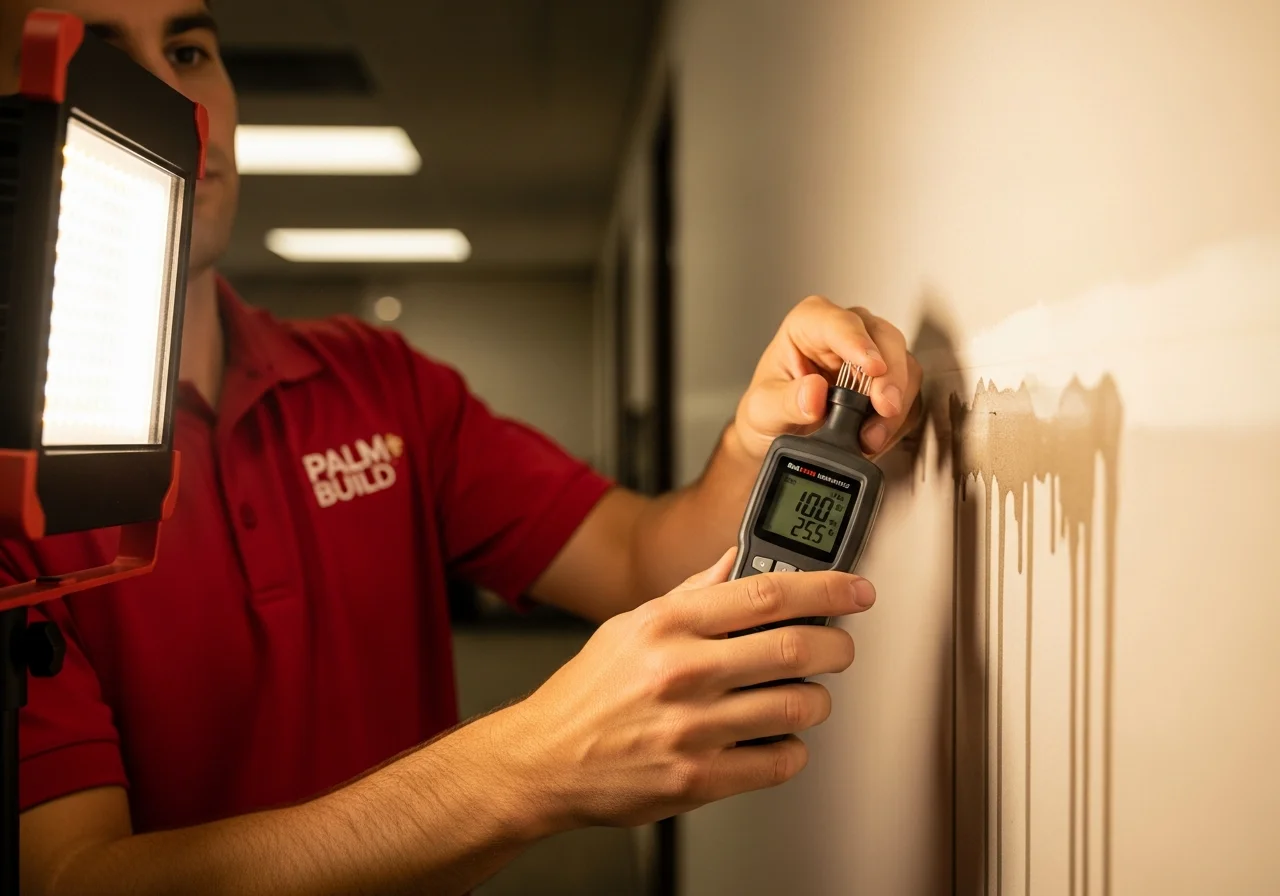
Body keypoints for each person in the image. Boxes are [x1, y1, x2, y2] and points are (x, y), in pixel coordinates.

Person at [1, 1, 924, 893]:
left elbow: (642, 560)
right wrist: (528, 767)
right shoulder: (18, 488)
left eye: (189, 52)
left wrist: (758, 439)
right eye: (102, 57)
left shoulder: (376, 380)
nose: (176, 100)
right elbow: (71, 879)